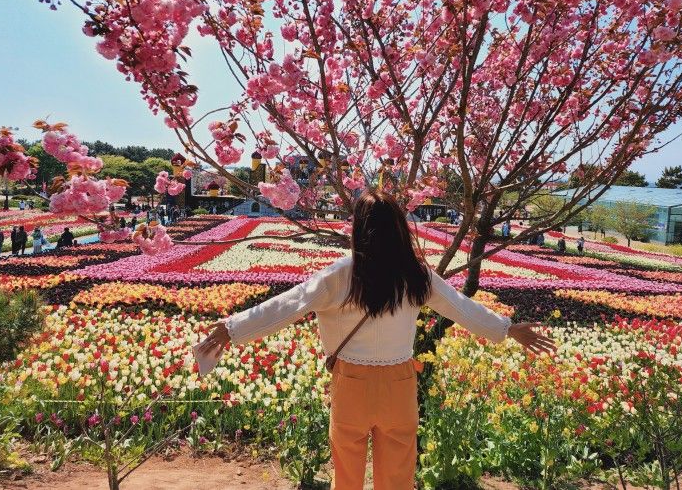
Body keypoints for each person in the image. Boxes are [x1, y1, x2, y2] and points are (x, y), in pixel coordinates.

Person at [198, 191, 556, 490]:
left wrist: (232, 328)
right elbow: (460, 307)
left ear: (359, 228)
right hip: (400, 381)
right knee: (397, 475)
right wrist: (507, 328)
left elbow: (286, 306)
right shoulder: (416, 275)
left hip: (352, 382)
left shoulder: (340, 275)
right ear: (400, 228)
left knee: (348, 472)